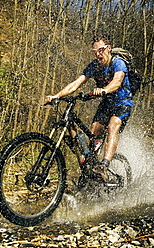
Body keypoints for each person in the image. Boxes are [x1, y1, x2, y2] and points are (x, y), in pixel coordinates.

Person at [45, 34, 133, 180]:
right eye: (95, 51)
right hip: (107, 103)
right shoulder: (94, 66)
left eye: (101, 50)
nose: (98, 53)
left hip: (123, 102)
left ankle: (104, 166)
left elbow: (118, 81)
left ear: (109, 49)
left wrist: (104, 90)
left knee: (112, 126)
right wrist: (57, 96)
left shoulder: (118, 62)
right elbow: (77, 83)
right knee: (94, 131)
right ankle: (91, 168)